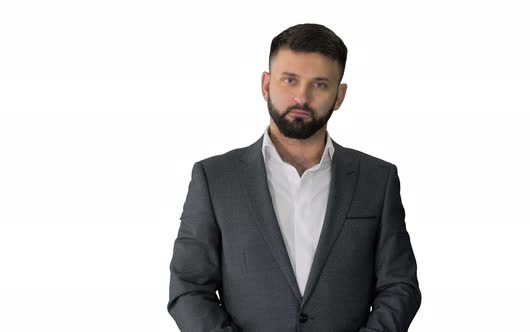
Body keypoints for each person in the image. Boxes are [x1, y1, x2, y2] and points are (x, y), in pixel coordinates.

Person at [167, 23, 421, 332]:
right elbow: (189, 288)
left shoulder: (377, 180)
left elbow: (399, 286)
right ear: (266, 85)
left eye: (320, 84)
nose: (301, 97)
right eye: (290, 80)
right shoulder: (215, 178)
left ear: (339, 96)